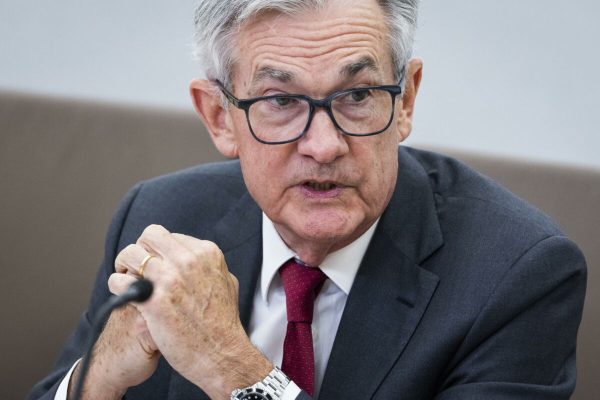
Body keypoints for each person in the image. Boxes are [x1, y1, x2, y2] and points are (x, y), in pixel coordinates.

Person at [29, 0, 587, 399]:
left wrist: (233, 369)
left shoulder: (519, 276)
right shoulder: (163, 217)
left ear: (407, 100)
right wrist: (98, 380)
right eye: (280, 101)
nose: (324, 146)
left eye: (359, 95)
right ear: (220, 117)